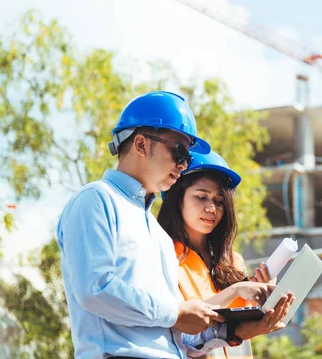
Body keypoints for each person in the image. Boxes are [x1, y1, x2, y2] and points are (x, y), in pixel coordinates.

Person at [57, 91, 292, 359]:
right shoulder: (96, 200)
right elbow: (95, 290)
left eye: (188, 158)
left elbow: (178, 333)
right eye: (179, 152)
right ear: (142, 144)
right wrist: (176, 313)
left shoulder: (157, 235)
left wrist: (240, 331)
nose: (182, 165)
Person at [157, 151, 294, 359]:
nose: (212, 208)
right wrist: (236, 290)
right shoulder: (162, 255)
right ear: (178, 199)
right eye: (201, 197)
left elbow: (241, 335)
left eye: (219, 201)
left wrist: (264, 300)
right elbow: (183, 332)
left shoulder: (232, 261)